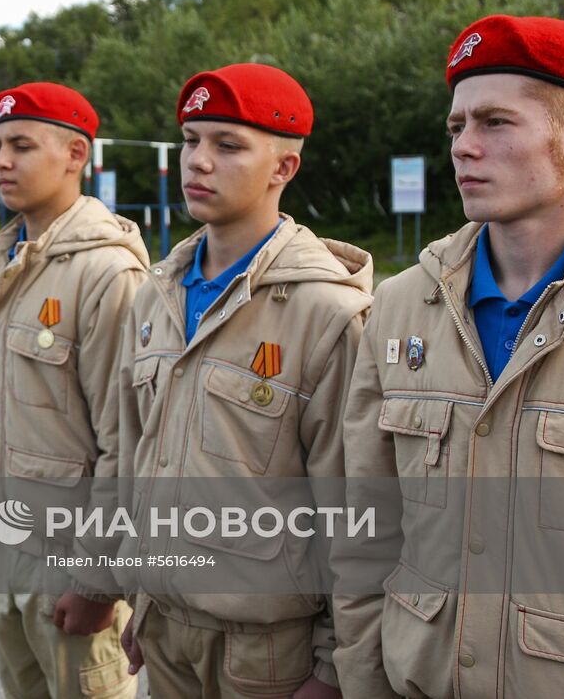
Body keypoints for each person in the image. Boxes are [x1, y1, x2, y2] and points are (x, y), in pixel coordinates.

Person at [334, 15, 564, 698]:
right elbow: (365, 531)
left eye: (494, 123)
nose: (464, 148)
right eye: (457, 127)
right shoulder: (400, 307)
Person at [118, 64, 372, 699]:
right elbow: (138, 453)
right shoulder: (159, 293)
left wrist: (334, 666)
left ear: (283, 168)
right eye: (191, 139)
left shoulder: (327, 313)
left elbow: (358, 503)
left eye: (228, 145)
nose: (198, 161)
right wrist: (142, 595)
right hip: (167, 625)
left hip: (266, 650)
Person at [0, 82, 149, 698]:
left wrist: (99, 580)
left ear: (76, 156)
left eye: (21, 145)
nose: (1, 161)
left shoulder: (106, 270)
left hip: (70, 554)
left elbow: (124, 441)